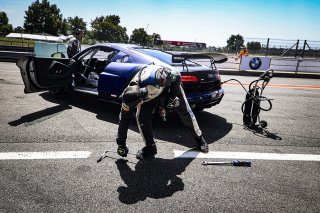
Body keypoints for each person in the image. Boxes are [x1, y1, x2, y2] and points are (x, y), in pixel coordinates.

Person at [116, 64, 209, 160]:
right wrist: (121, 144)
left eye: (139, 104)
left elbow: (176, 75)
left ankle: (200, 138)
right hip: (153, 91)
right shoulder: (127, 97)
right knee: (141, 118)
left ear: (141, 97)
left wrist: (171, 97)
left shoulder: (155, 77)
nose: (138, 106)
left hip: (168, 86)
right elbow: (123, 120)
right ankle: (150, 147)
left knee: (184, 111)